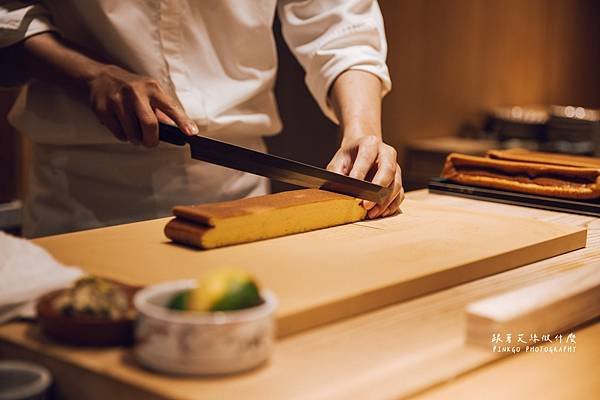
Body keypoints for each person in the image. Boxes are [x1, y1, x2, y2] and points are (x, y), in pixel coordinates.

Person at [0, 0, 404, 238]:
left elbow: (341, 23)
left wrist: (364, 132)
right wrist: (91, 74)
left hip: (239, 199)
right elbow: (9, 15)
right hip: (84, 202)